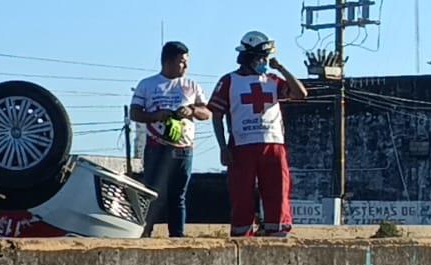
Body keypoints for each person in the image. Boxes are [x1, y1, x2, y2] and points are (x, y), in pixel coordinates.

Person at [209, 31, 308, 237]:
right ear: (249, 57)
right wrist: (222, 147)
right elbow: (216, 115)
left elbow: (300, 93)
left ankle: (278, 231)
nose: (264, 62)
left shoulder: (273, 80)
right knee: (241, 194)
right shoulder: (229, 81)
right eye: (261, 58)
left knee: (278, 192)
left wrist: (281, 68)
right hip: (242, 145)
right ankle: (242, 234)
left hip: (273, 144)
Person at [130, 41, 210, 237]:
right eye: (181, 62)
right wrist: (156, 116)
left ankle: (177, 235)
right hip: (157, 147)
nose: (185, 66)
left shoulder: (192, 86)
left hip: (184, 148)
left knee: (178, 195)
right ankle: (145, 232)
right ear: (168, 61)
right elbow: (135, 113)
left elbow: (206, 112)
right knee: (152, 193)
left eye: (187, 62)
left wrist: (191, 110)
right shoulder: (147, 85)